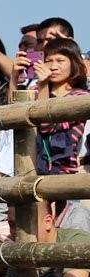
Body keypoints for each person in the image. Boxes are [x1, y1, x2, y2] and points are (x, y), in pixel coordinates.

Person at [25, 38, 88, 175]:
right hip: (29, 168)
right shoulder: (34, 91)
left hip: (62, 171)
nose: (53, 66)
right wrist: (14, 76)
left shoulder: (81, 97)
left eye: (60, 61)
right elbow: (14, 113)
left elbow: (48, 126)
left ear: (74, 63)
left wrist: (43, 86)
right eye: (48, 60)